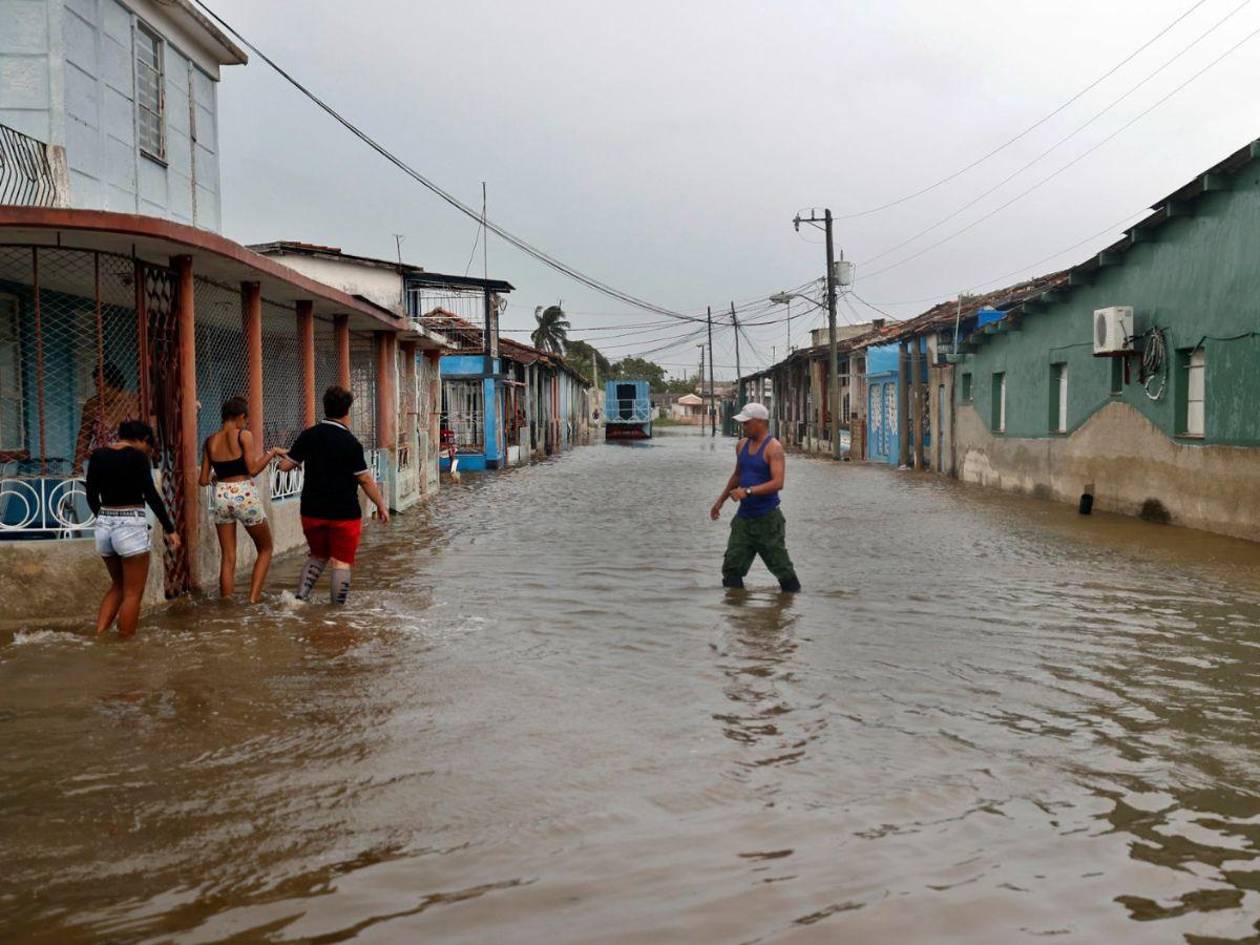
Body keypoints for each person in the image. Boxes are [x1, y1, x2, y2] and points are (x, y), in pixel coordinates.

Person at [277, 385, 390, 605]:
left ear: (325, 408)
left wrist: (288, 455)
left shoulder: (308, 436)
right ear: (347, 411)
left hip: (312, 511)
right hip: (344, 513)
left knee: (317, 556)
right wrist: (381, 506)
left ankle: (298, 600)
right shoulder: (351, 443)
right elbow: (365, 480)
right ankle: (337, 614)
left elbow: (284, 467)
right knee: (341, 561)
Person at [85, 420, 181, 635]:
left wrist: (103, 517)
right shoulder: (138, 457)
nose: (149, 451)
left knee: (117, 585)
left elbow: (91, 495)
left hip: (104, 526)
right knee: (132, 593)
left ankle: (99, 636)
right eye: (150, 446)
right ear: (144, 440)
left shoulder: (98, 455)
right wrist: (170, 528)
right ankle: (125, 648)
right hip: (130, 525)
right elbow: (151, 496)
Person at [198, 396, 287, 603]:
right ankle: (253, 600)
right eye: (245, 419)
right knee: (266, 548)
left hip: (220, 495)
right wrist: (272, 452)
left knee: (228, 557)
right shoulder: (244, 436)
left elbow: (203, 480)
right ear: (240, 416)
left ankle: (227, 604)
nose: (246, 423)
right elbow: (253, 469)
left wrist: (219, 477)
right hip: (244, 494)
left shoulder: (210, 440)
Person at [709, 403, 801, 593]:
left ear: (760, 422)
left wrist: (747, 491)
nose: (743, 427)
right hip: (743, 519)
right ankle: (738, 613)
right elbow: (737, 475)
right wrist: (720, 501)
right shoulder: (741, 445)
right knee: (731, 569)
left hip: (767, 520)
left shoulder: (774, 448)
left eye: (747, 423)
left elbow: (778, 483)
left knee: (782, 569)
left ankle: (789, 605)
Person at [75, 362, 142, 472]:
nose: (98, 391)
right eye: (96, 386)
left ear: (115, 385)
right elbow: (84, 435)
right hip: (102, 464)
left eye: (102, 387)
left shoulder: (133, 402)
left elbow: (143, 435)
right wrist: (77, 465)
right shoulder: (92, 405)